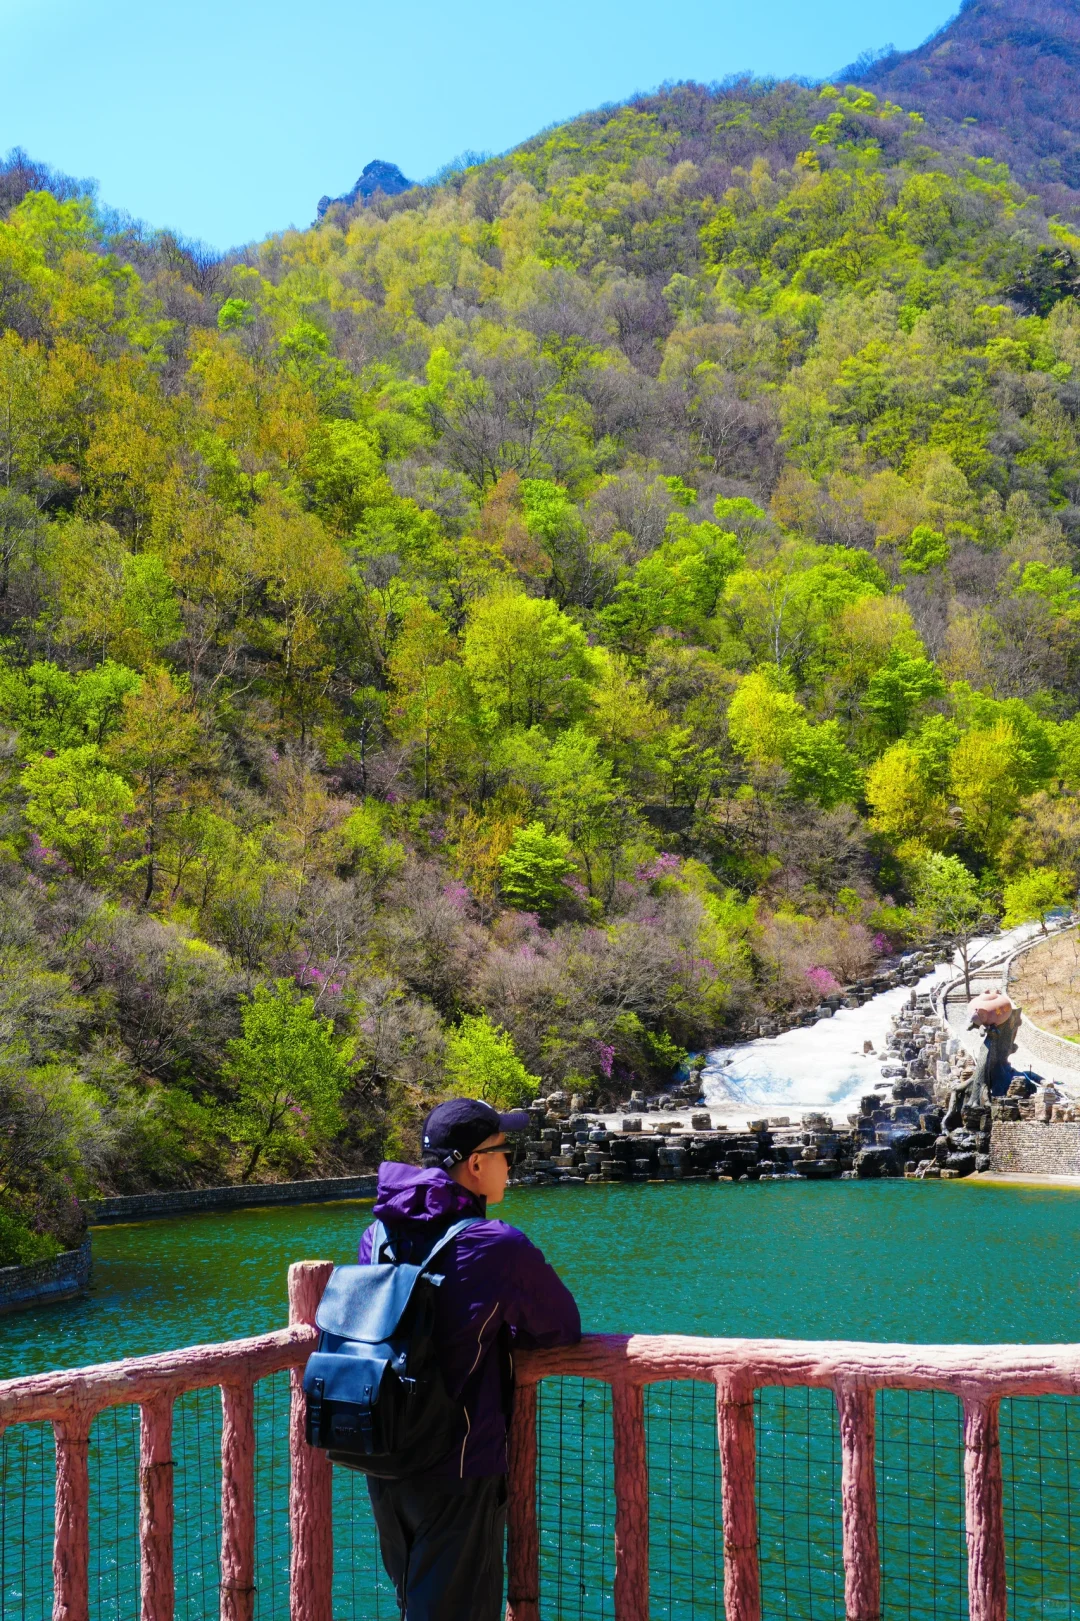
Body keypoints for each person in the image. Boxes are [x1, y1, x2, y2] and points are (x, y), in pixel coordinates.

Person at [359, 1097, 581, 1621]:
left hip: (383, 1452)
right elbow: (561, 1326)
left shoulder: (378, 1235)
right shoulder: (495, 1244)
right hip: (457, 1466)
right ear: (476, 1164)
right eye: (508, 1152)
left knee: (416, 1602)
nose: (513, 1164)